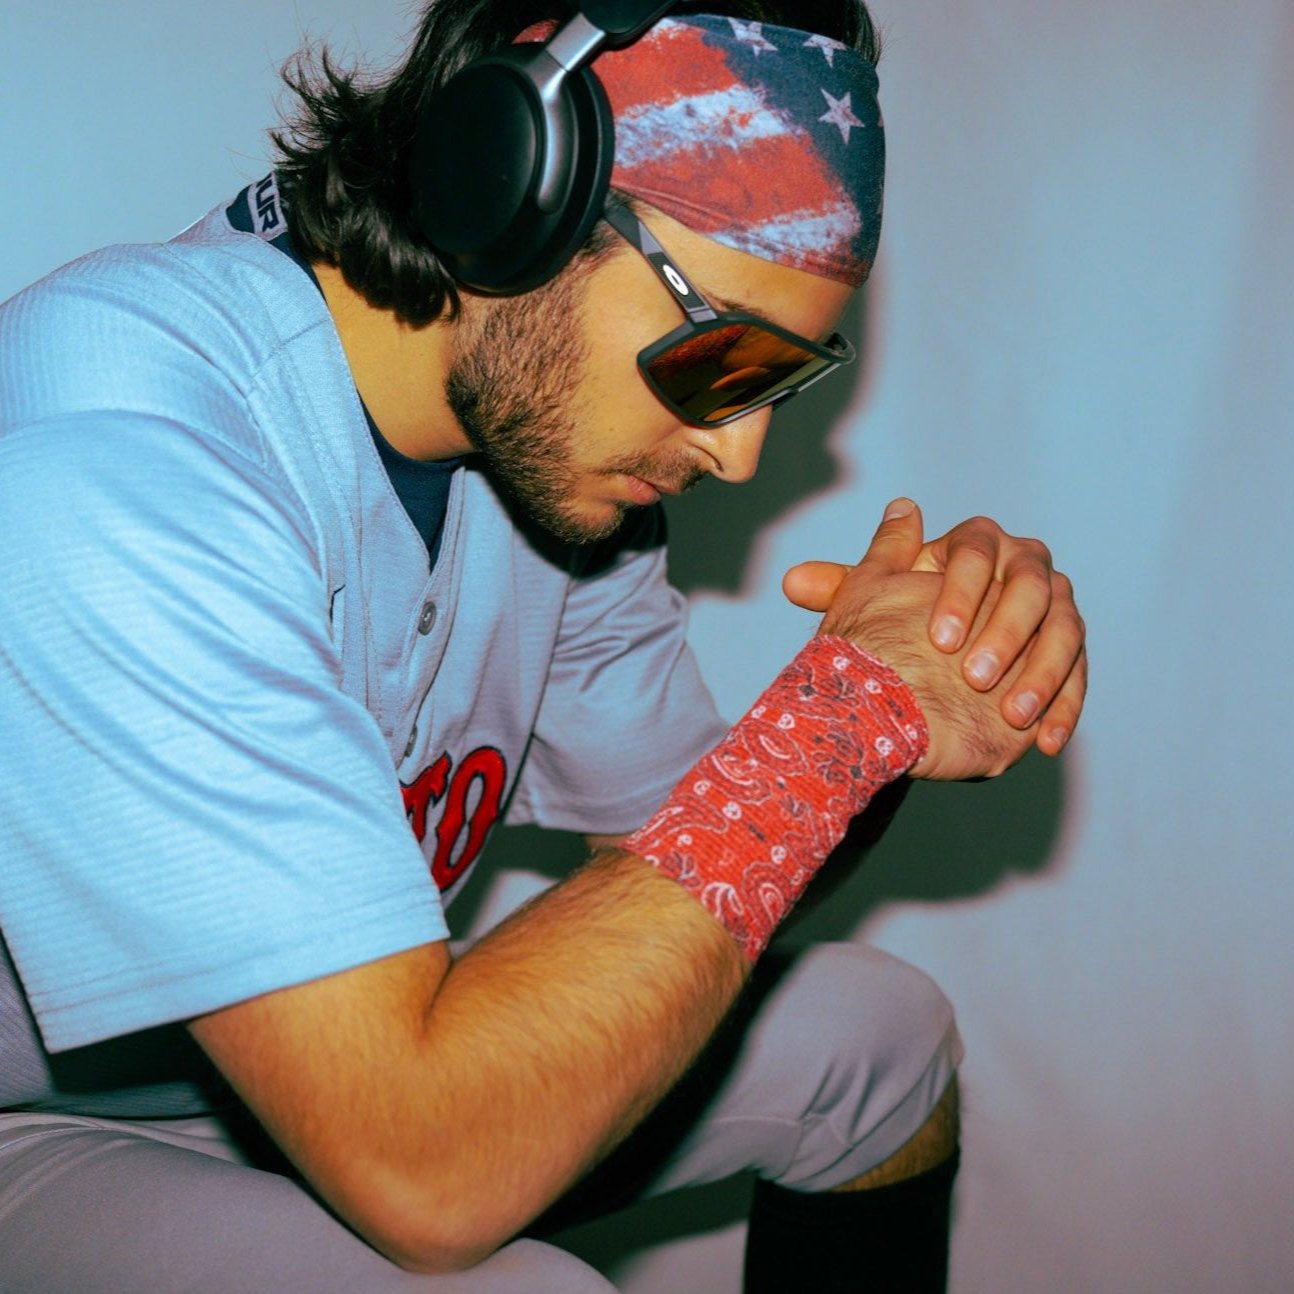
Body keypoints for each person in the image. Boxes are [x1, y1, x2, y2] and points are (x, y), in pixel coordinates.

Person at [0, 2, 1087, 1290]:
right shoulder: (113, 443)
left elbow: (694, 873)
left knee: (881, 1043)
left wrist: (904, 701)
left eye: (775, 381)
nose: (737, 450)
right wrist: (835, 726)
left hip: (270, 1074)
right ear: (507, 184)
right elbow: (429, 1168)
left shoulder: (545, 477)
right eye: (720, 352)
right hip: (35, 1118)